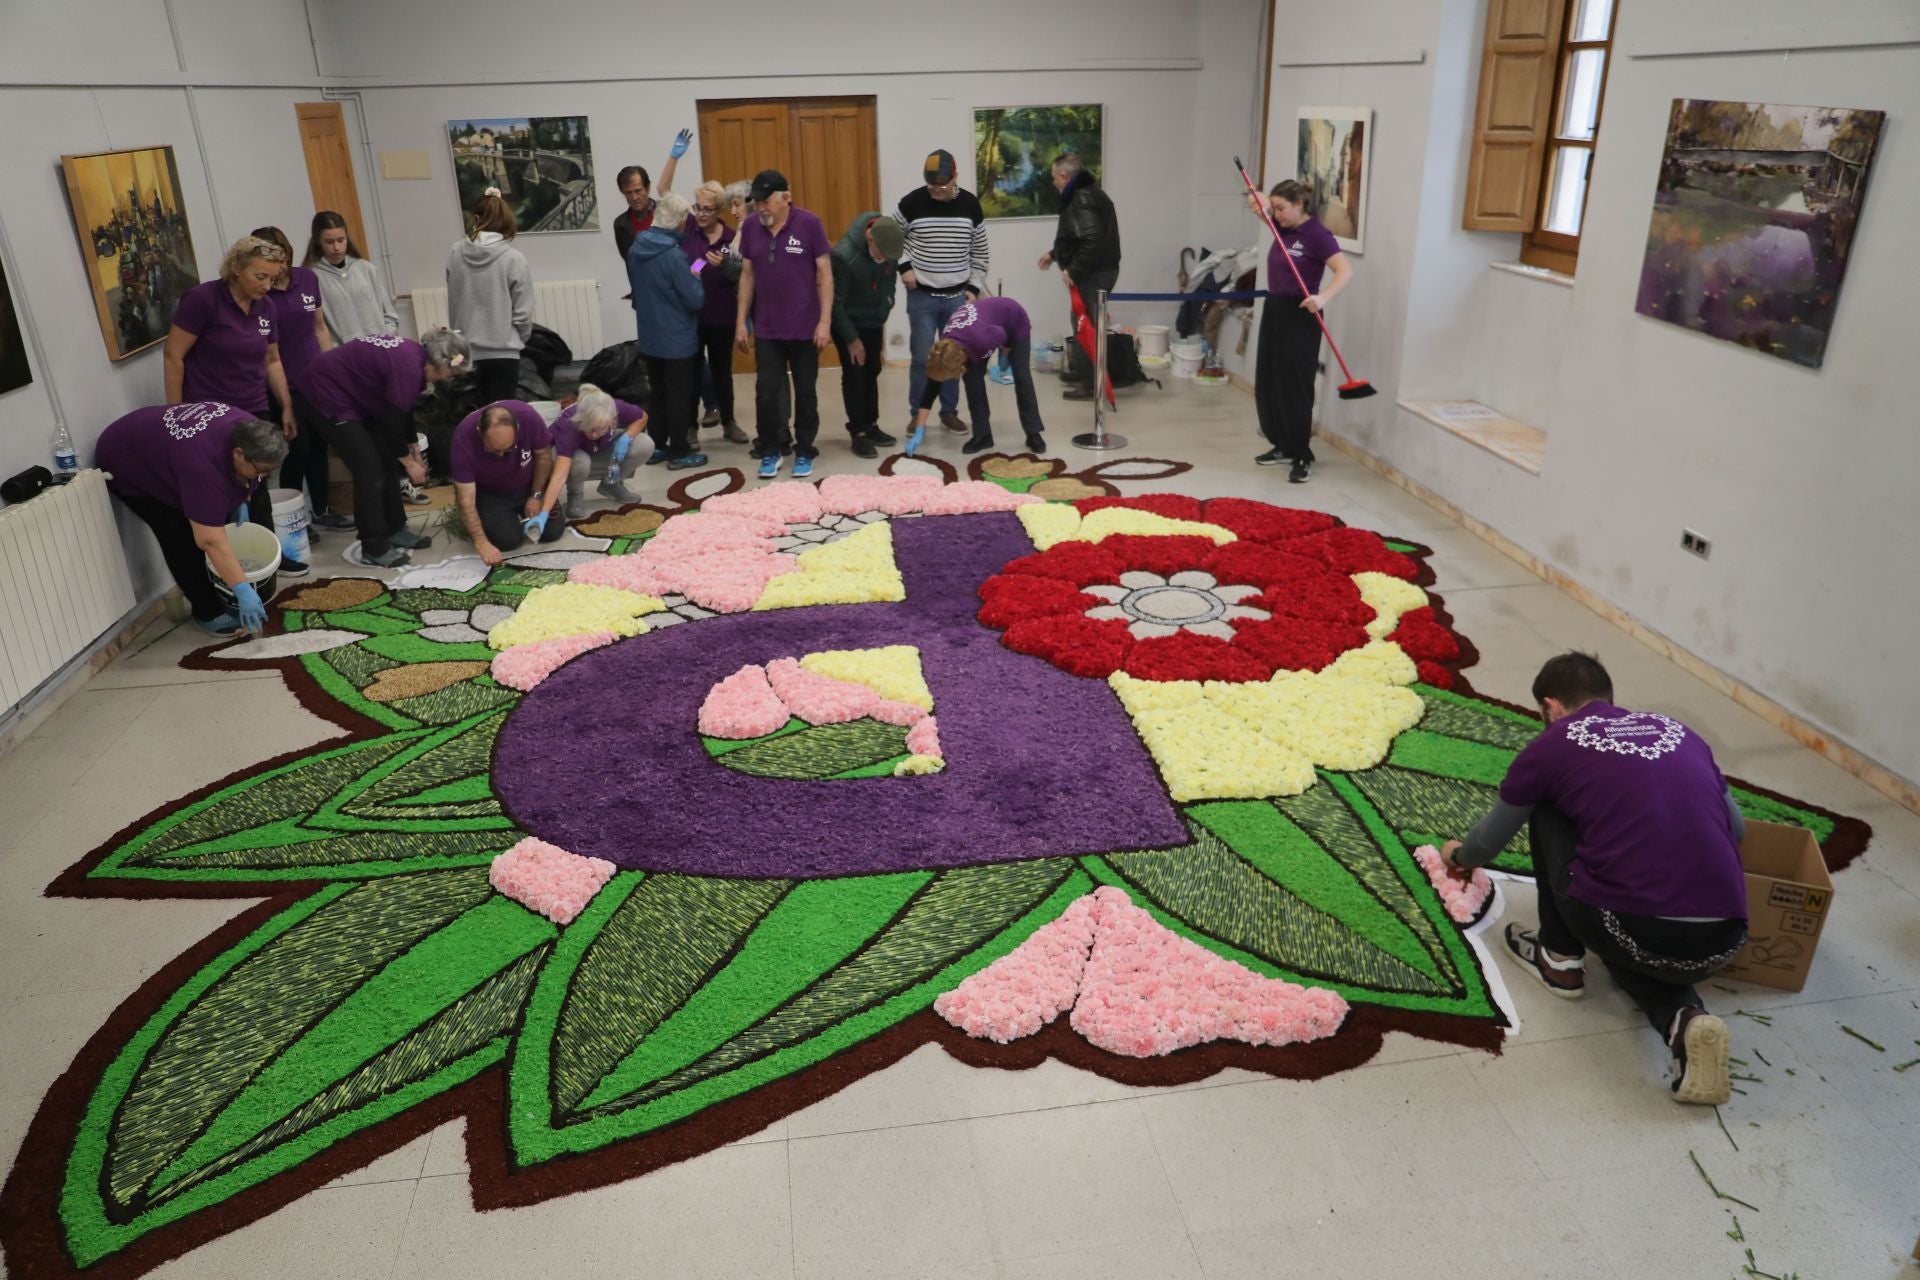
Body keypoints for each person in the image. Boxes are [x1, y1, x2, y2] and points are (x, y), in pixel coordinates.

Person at [1439, 652, 1749, 1106]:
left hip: (1631, 924)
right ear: (1609, 697)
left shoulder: (1553, 743)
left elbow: (1487, 844)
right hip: (1724, 939)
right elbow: (1738, 830)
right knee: (1636, 948)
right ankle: (1686, 1021)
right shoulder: (1679, 732)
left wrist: (1458, 854)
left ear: (1551, 707)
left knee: (1549, 810)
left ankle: (1558, 959)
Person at [162, 236, 309, 576]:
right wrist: (174, 412)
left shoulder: (266, 308)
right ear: (236, 268)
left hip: (252, 407)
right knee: (217, 489)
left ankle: (268, 556)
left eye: (273, 278)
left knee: (258, 486)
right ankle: (225, 568)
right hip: (209, 413)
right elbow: (174, 356)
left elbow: (272, 360)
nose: (267, 285)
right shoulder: (203, 300)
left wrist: (286, 406)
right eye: (260, 276)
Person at [95, 404, 288, 635]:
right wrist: (243, 590)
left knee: (214, 518)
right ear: (238, 453)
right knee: (179, 534)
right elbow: (210, 541)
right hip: (126, 460)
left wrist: (241, 498)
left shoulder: (250, 427)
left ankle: (221, 590)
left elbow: (242, 476)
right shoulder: (202, 468)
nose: (264, 477)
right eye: (261, 470)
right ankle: (207, 610)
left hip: (161, 443)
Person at [293, 327, 470, 568]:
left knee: (386, 459)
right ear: (439, 363)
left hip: (354, 395)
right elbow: (390, 425)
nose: (450, 379)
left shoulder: (415, 359)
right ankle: (373, 546)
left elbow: (402, 410)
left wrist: (413, 447)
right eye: (452, 372)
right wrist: (410, 463)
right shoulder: (408, 367)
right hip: (324, 393)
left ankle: (394, 528)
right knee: (369, 471)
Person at [1247, 178, 1352, 484]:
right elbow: (1261, 205)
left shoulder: (1318, 235)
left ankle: (1302, 453)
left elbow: (1345, 271)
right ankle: (1282, 445)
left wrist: (1322, 298)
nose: (1275, 214)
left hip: (1302, 313)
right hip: (1275, 309)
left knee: (1295, 385)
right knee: (1271, 380)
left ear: (1300, 204)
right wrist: (1262, 202)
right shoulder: (1283, 229)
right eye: (1275, 208)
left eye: (1282, 208)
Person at [735, 170, 832, 481]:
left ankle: (804, 450)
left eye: (766, 202)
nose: (760, 208)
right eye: (757, 202)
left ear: (785, 198)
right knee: (766, 393)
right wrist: (741, 321)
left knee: (805, 392)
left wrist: (825, 322)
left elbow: (825, 275)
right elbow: (747, 275)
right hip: (766, 329)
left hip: (805, 328)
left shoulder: (809, 224)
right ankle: (772, 450)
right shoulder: (751, 227)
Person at [251, 225, 343, 533]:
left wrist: (332, 369)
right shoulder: (261, 295)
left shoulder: (307, 278)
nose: (280, 268)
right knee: (297, 449)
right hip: (283, 386)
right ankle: (294, 518)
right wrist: (286, 402)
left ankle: (323, 508)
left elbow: (319, 328)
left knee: (319, 446)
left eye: (284, 259)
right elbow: (268, 354)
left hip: (315, 379)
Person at [896, 149, 988, 435]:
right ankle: (917, 414)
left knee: (951, 357)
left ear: (955, 178)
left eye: (942, 185)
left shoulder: (971, 205)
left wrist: (973, 287)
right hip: (922, 296)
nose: (936, 189)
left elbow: (980, 252)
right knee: (922, 358)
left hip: (957, 297)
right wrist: (904, 267)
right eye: (931, 184)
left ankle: (949, 413)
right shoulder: (911, 203)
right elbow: (891, 238)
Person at [905, 297, 1046, 457]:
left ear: (960, 364)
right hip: (981, 330)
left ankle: (1033, 433)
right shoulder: (942, 351)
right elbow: (931, 390)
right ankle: (983, 435)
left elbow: (1002, 335)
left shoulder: (983, 339)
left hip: (1013, 320)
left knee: (1022, 378)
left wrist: (1005, 356)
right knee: (972, 381)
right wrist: (919, 430)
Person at [627, 191, 708, 472]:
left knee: (658, 393)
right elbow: (694, 298)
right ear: (680, 221)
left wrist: (690, 271)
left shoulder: (636, 249)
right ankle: (679, 452)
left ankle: (657, 446)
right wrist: (696, 273)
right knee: (679, 395)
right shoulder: (674, 256)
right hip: (677, 339)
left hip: (649, 336)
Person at [1037, 153, 1121, 403]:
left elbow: (1091, 239)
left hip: (1095, 274)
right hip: (1094, 271)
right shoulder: (1088, 192)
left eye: (1054, 178)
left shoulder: (1081, 198)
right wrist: (1054, 254)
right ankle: (1083, 372)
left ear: (1064, 176)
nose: (1054, 183)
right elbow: (1076, 236)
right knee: (1081, 322)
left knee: (1087, 327)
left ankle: (1091, 385)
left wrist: (1073, 270)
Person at [829, 212, 905, 459]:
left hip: (873, 319)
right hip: (847, 323)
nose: (885, 259)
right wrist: (852, 339)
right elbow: (836, 304)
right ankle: (858, 432)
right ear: (870, 238)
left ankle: (871, 425)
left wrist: (888, 300)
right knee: (855, 373)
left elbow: (891, 278)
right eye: (881, 254)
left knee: (872, 369)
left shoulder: (890, 244)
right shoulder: (843, 256)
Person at [449, 400, 563, 565]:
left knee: (552, 532)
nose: (501, 455)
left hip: (528, 482)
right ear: (479, 432)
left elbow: (544, 456)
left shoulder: (528, 417)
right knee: (508, 541)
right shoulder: (463, 439)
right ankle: (492, 518)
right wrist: (481, 542)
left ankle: (523, 510)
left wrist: (536, 495)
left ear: (517, 429)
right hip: (492, 493)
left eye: (508, 448)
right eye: (494, 449)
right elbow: (465, 499)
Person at [447, 189, 532, 404]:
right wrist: (516, 337)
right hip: (504, 352)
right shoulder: (514, 259)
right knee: (501, 420)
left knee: (474, 419)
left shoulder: (455, 253)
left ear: (476, 219)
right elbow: (523, 312)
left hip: (466, 352)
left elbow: (454, 296)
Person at [682, 180, 748, 445]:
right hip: (693, 318)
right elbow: (695, 264)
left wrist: (724, 266)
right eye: (698, 208)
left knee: (723, 372)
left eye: (708, 209)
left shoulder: (731, 237)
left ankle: (729, 423)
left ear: (719, 210)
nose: (701, 214)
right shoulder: (689, 230)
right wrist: (698, 266)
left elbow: (743, 276)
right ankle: (690, 427)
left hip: (722, 317)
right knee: (692, 372)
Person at [536, 383, 647, 522]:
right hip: (574, 455)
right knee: (581, 462)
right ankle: (575, 494)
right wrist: (544, 513)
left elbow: (642, 416)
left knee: (645, 444)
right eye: (591, 429)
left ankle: (611, 483)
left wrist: (627, 437)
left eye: (601, 429)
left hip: (602, 448)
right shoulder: (569, 424)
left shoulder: (614, 407)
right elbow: (559, 476)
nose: (595, 434)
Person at [304, 211, 399, 344]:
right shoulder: (312, 277)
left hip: (381, 349)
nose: (336, 247)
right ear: (318, 241)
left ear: (347, 238)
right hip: (346, 356)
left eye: (341, 240)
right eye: (329, 242)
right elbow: (318, 327)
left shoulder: (367, 269)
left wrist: (386, 336)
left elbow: (390, 315)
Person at [611, 130, 690, 267]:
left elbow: (694, 252)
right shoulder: (621, 224)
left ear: (647, 188)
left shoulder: (667, 212)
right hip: (644, 284)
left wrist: (695, 271)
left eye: (638, 191)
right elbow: (630, 260)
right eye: (628, 193)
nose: (634, 197)